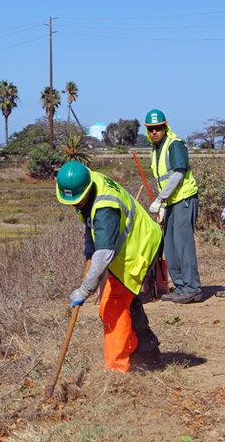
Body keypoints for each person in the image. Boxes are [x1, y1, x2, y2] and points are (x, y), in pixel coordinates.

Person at [56, 161, 162, 372]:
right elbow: (88, 217)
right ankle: (144, 350)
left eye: (78, 200)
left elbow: (104, 255)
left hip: (137, 249)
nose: (75, 205)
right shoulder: (88, 179)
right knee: (122, 303)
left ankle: (116, 368)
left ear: (87, 190)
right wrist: (89, 244)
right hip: (127, 245)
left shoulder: (106, 208)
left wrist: (84, 290)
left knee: (112, 306)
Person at [144, 108, 202, 304]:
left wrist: (160, 199)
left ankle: (192, 287)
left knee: (183, 244)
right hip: (170, 202)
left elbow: (177, 174)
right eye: (151, 129)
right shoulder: (155, 149)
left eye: (158, 128)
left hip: (184, 199)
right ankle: (180, 286)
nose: (154, 132)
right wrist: (163, 204)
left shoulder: (174, 144)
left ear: (164, 127)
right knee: (170, 244)